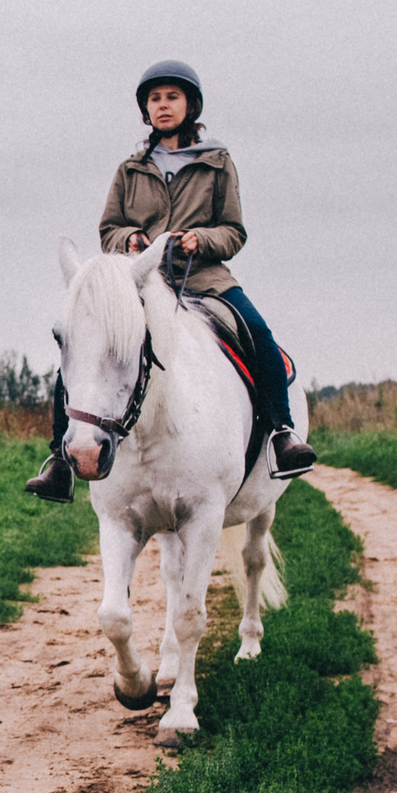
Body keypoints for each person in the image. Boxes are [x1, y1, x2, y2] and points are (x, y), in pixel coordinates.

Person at [26, 60, 316, 500]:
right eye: (155, 99)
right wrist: (132, 239)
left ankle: (281, 433)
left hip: (207, 280)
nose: (163, 106)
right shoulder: (129, 169)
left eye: (172, 97)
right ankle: (59, 461)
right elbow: (109, 229)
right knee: (81, 346)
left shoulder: (218, 164)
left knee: (259, 334)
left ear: (190, 105)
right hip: (141, 283)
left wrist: (201, 239)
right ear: (146, 109)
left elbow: (234, 231)